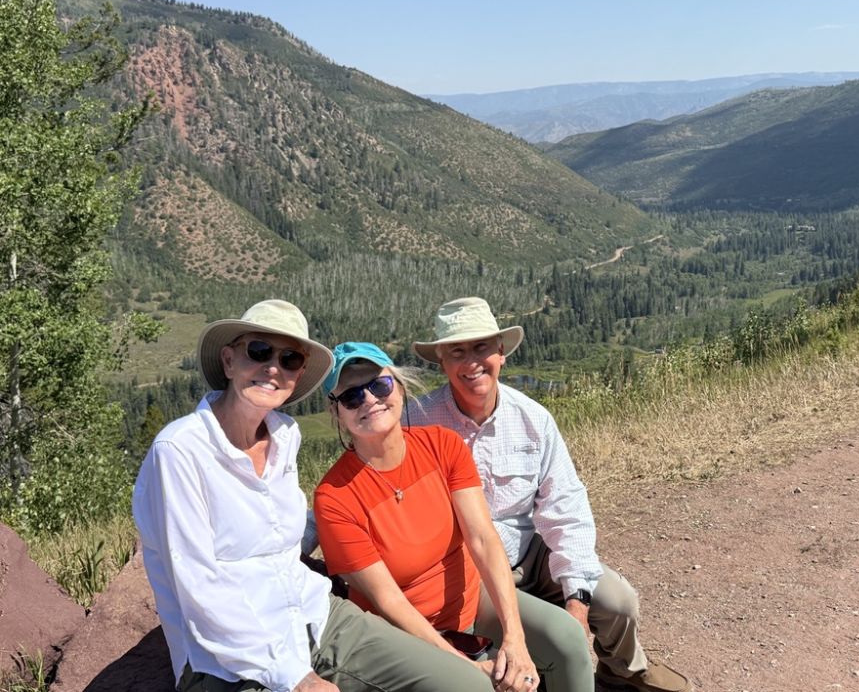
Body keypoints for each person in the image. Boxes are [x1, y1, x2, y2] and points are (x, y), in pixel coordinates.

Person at [133, 300, 498, 692]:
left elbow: (278, 535)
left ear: (298, 374)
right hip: (228, 661)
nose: (273, 367)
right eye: (259, 351)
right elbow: (199, 590)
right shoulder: (180, 451)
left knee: (466, 686)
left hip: (315, 617)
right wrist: (297, 678)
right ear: (228, 360)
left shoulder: (284, 437)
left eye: (289, 359)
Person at [407, 297, 694, 692]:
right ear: (442, 361)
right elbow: (358, 484)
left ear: (501, 353)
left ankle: (624, 670)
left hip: (530, 552)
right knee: (556, 638)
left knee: (618, 602)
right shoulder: (414, 422)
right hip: (469, 571)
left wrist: (576, 601)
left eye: (481, 348)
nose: (472, 361)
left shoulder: (533, 419)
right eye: (458, 351)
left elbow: (566, 509)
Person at [312, 342, 593, 692]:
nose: (369, 400)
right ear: (337, 413)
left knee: (567, 639)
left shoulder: (442, 445)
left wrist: (515, 638)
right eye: (351, 397)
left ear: (398, 386)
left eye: (379, 385)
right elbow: (389, 602)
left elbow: (482, 538)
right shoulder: (335, 496)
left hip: (469, 598)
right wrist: (464, 666)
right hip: (401, 632)